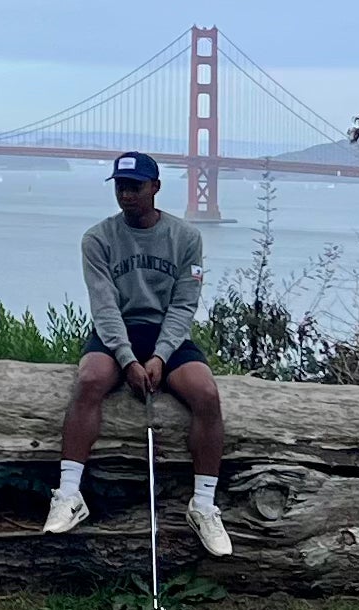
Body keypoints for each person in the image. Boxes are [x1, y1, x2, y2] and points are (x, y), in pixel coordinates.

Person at [42, 151, 231, 557]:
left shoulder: (186, 238)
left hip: (167, 334)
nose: (127, 195)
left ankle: (204, 504)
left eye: (135, 187)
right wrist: (127, 359)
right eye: (121, 187)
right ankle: (69, 494)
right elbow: (104, 304)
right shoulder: (98, 238)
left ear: (156, 187)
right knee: (90, 379)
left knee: (206, 394)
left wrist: (160, 356)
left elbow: (184, 305)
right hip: (117, 333)